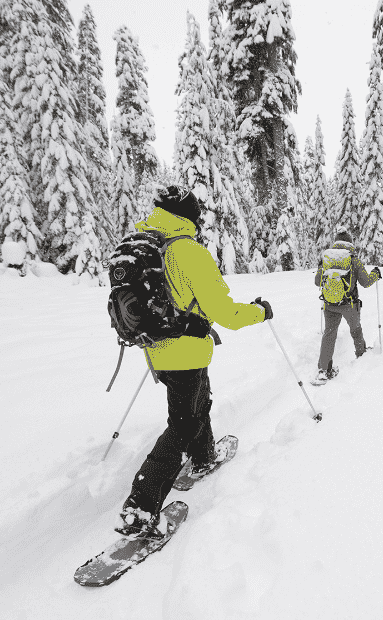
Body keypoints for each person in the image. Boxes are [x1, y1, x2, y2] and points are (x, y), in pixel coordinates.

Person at [116, 185, 272, 537]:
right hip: (185, 350)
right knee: (182, 423)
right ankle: (139, 508)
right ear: (189, 216)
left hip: (157, 348)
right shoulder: (189, 251)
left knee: (198, 403)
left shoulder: (149, 243)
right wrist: (260, 312)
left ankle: (202, 458)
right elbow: (226, 313)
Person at [313, 228, 381, 384]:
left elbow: (317, 282)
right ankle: (361, 354)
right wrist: (375, 275)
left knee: (329, 334)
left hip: (329, 304)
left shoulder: (327, 258)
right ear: (350, 243)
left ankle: (324, 370)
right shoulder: (353, 259)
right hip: (349, 304)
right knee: (356, 330)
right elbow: (365, 282)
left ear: (335, 242)